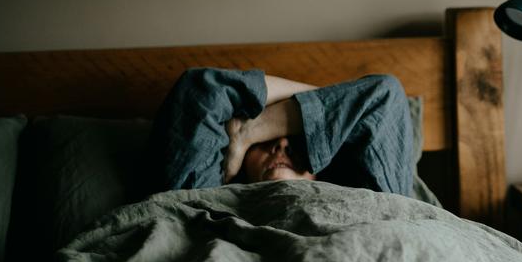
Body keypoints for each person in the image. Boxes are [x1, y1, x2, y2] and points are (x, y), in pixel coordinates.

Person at [147, 68, 415, 197]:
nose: (282, 144)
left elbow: (383, 96)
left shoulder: (373, 199)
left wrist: (253, 132)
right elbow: (203, 89)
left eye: (300, 140)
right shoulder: (201, 196)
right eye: (265, 141)